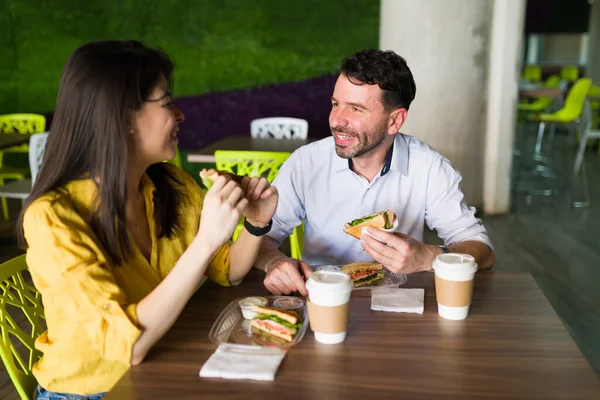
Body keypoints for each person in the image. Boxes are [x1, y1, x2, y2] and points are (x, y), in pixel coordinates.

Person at [16, 40, 278, 399]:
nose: (180, 114)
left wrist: (256, 223)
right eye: (167, 102)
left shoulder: (171, 183)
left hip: (163, 364)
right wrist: (205, 241)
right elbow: (130, 346)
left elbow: (228, 271)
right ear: (123, 118)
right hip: (91, 392)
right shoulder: (52, 218)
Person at [255, 49, 495, 296]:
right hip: (321, 300)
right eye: (336, 104)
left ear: (395, 121)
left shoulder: (429, 167)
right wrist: (272, 262)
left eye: (356, 109)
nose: (336, 121)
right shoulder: (306, 163)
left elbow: (483, 252)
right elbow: (261, 237)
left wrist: (428, 257)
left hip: (398, 306)